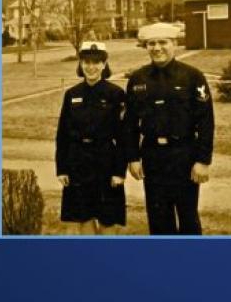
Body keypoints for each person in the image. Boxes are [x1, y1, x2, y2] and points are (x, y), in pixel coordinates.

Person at [125, 30, 214, 235]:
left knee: (188, 216)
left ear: (174, 43)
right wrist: (133, 157)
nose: (157, 48)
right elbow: (130, 123)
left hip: (184, 155)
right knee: (158, 218)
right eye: (151, 43)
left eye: (163, 42)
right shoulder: (138, 79)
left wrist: (203, 161)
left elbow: (206, 121)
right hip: (153, 156)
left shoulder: (192, 76)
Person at [55, 42, 127, 235]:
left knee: (107, 219)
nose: (91, 67)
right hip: (78, 162)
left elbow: (123, 137)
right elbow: (62, 134)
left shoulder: (116, 94)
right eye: (86, 61)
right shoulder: (72, 94)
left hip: (106, 162)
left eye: (97, 62)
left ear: (104, 64)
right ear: (81, 64)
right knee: (83, 217)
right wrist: (61, 169)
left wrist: (119, 172)